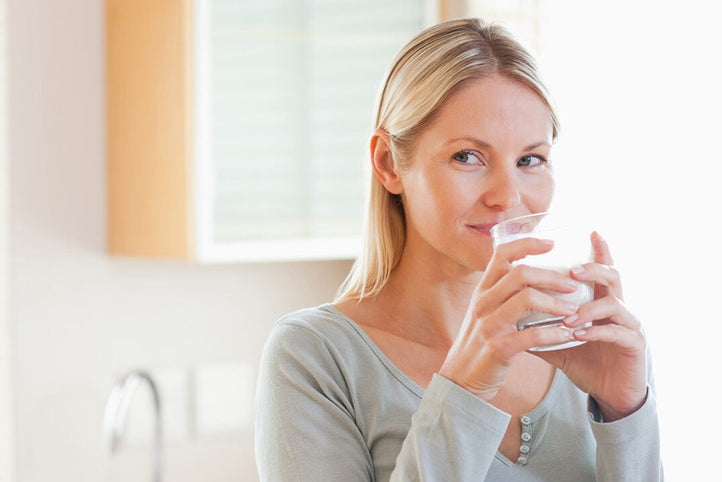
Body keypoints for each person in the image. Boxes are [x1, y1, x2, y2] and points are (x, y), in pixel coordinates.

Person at [255, 18, 662, 481]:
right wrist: (465, 388)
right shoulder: (315, 358)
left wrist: (625, 413)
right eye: (467, 156)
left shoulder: (590, 345)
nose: (507, 197)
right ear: (389, 164)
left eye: (530, 159)